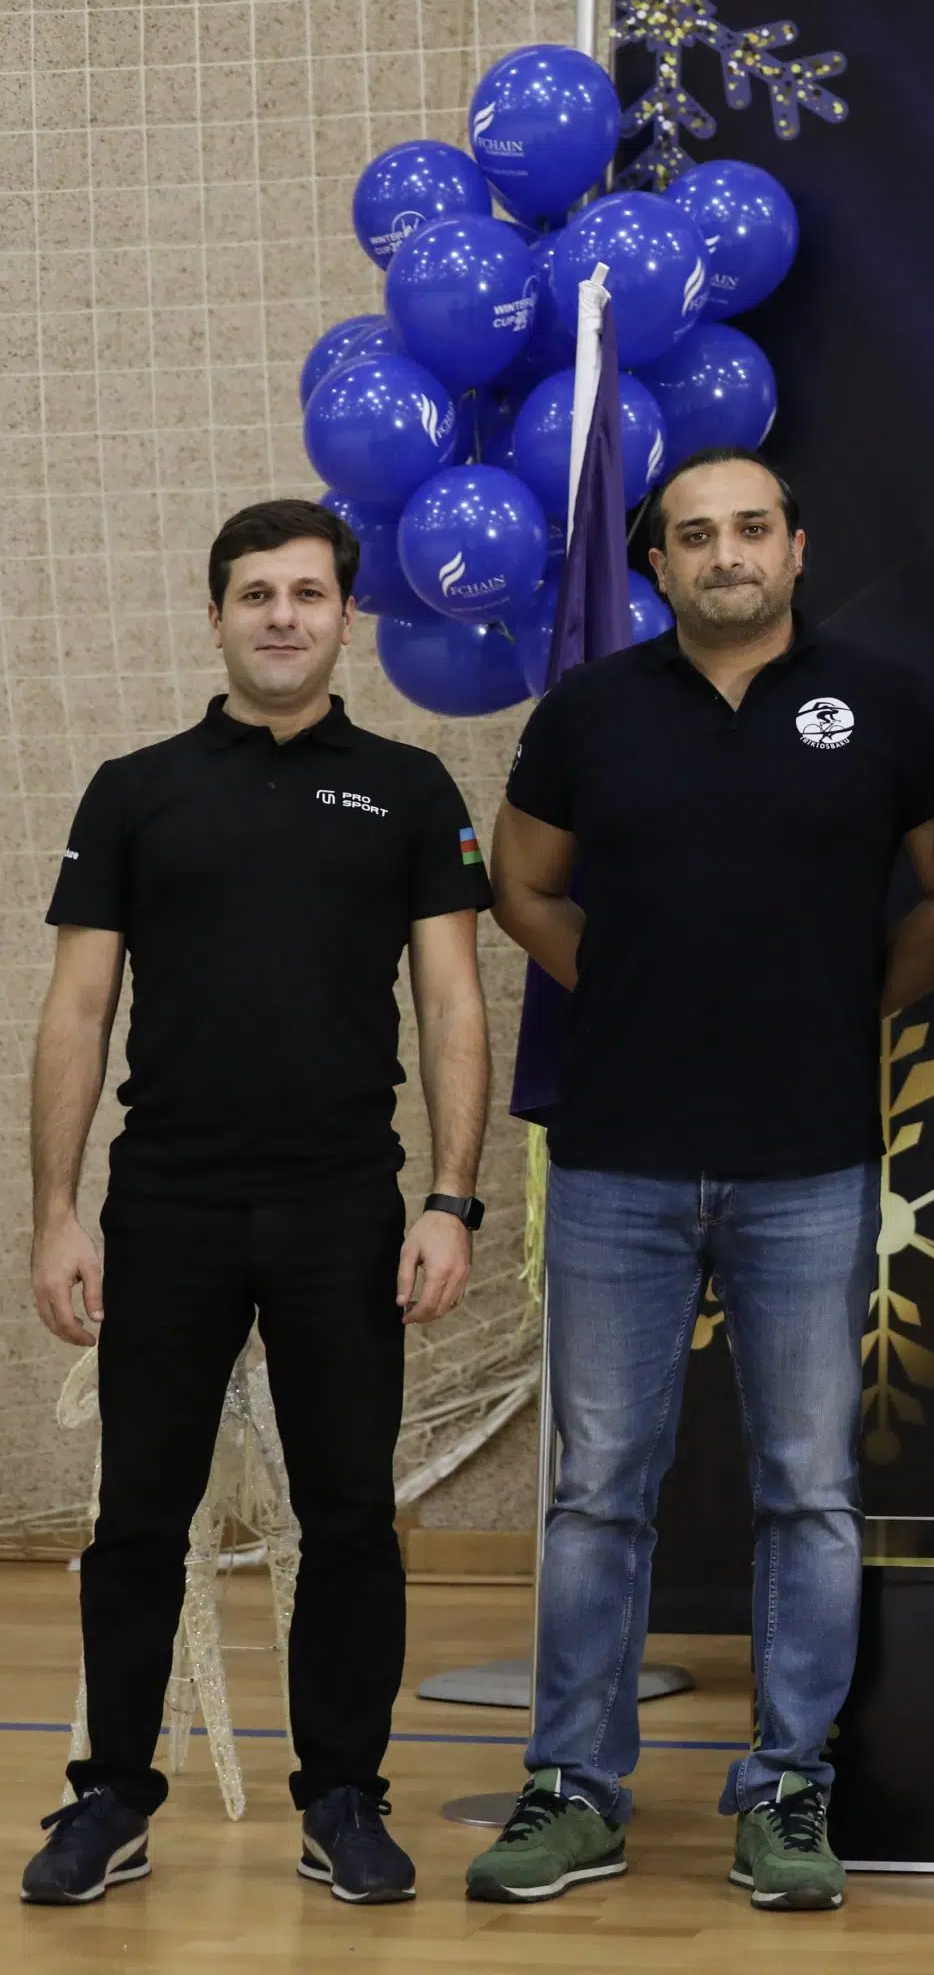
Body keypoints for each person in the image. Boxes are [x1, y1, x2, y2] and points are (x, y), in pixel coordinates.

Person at [475, 447, 934, 1913]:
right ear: (658, 564)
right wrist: (620, 988)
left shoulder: (887, 704)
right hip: (616, 1160)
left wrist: (856, 1009)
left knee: (808, 1489)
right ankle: (576, 1787)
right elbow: (521, 883)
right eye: (695, 536)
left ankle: (788, 1788)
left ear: (797, 548)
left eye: (752, 529)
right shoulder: (591, 710)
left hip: (808, 1158)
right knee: (598, 1492)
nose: (725, 553)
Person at [22, 500, 490, 1908]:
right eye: (255, 595)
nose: (282, 616)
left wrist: (451, 1199)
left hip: (344, 1207)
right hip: (166, 1202)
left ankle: (342, 1797)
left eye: (306, 593)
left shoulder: (410, 789)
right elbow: (77, 1008)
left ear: (346, 615)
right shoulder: (135, 790)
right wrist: (57, 1213)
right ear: (216, 614)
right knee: (138, 1518)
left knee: (348, 1515)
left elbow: (452, 1003)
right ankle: (110, 1797)